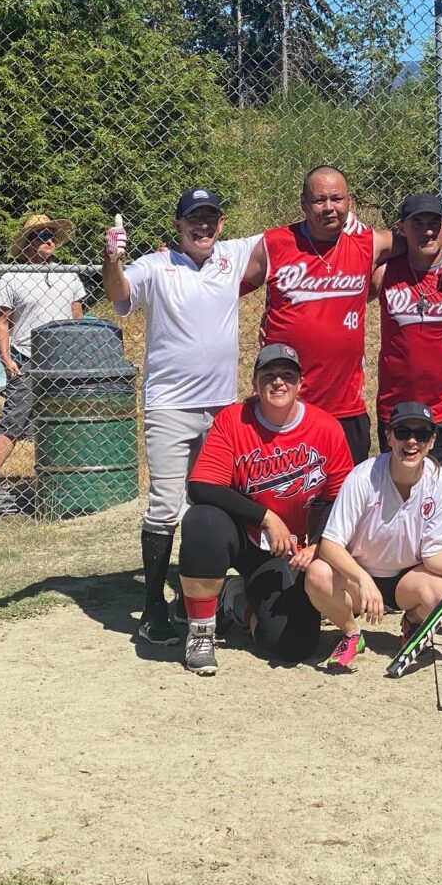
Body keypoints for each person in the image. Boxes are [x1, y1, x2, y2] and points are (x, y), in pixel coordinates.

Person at [102, 187, 263, 646]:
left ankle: (201, 601)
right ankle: (152, 608)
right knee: (166, 506)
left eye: (211, 216)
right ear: (178, 225)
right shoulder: (157, 265)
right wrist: (112, 258)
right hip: (170, 406)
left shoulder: (231, 255)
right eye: (194, 218)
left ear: (222, 223)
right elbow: (120, 292)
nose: (204, 224)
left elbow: (285, 241)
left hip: (222, 409)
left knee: (210, 506)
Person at [248, 166, 442, 466]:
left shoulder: (368, 242)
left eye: (336, 199)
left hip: (345, 406)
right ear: (303, 203)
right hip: (285, 399)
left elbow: (421, 239)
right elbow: (224, 288)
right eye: (319, 200)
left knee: (346, 498)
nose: (329, 208)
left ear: (350, 201)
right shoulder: (274, 244)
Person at [177, 344, 354, 675]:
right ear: (255, 383)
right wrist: (265, 517)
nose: (278, 382)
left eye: (288, 375)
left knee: (294, 646)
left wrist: (317, 545)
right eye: (268, 375)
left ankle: (235, 601)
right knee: (202, 521)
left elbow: (340, 499)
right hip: (243, 537)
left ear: (301, 384)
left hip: (286, 551)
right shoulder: (233, 420)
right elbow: (201, 485)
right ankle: (201, 632)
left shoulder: (326, 428)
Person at [305, 401, 442, 672]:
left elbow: (433, 555)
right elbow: (330, 544)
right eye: (403, 432)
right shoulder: (363, 477)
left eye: (422, 434)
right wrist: (363, 578)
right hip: (359, 578)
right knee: (317, 575)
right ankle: (351, 633)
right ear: (389, 436)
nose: (412, 441)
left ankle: (413, 620)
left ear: (432, 441)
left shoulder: (440, 483)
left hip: (408, 578)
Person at [371, 193, 442, 628]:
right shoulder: (385, 273)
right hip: (397, 411)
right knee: (400, 498)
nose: (427, 230)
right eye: (417, 223)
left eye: (434, 222)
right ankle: (407, 582)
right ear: (402, 228)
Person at [0, 214, 84, 492]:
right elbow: (2, 321)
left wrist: (77, 356)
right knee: (13, 421)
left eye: (52, 236)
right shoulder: (12, 276)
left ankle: (69, 479)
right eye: (43, 236)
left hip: (63, 360)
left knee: (68, 419)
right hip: (27, 358)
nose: (50, 241)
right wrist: (6, 358)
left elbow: (77, 317)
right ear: (29, 243)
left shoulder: (69, 275)